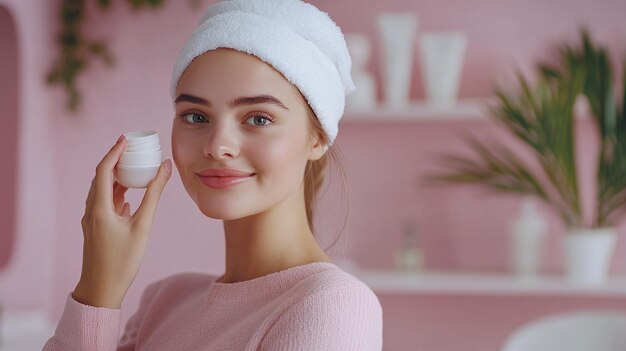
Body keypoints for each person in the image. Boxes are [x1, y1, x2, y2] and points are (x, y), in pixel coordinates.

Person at [43, 0, 383, 350]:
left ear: (319, 136)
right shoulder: (163, 302)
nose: (218, 146)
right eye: (195, 116)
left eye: (258, 118)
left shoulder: (332, 305)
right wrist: (98, 288)